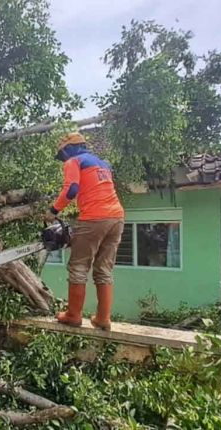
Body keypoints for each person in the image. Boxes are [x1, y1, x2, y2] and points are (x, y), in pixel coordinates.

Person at [45, 132, 125, 330]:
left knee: (79, 266)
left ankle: (73, 315)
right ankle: (103, 319)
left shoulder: (74, 161)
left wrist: (53, 211)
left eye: (62, 154)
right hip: (116, 218)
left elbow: (72, 189)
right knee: (104, 269)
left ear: (68, 148)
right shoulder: (103, 164)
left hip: (94, 217)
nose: (63, 159)